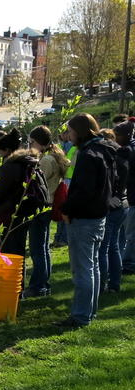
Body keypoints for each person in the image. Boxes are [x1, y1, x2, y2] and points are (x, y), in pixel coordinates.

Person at [56, 113, 117, 328]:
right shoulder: (105, 149)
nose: (69, 135)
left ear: (80, 132)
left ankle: (81, 315)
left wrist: (67, 209)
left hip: (84, 218)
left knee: (82, 269)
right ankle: (89, 312)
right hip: (98, 215)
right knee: (92, 267)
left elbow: (82, 190)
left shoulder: (89, 155)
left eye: (71, 131)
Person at [24, 126, 68, 297]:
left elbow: (33, 183)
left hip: (41, 206)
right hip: (47, 206)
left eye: (32, 142)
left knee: (37, 248)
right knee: (43, 247)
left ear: (41, 143)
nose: (30, 145)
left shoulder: (46, 161)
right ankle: (43, 283)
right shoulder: (52, 157)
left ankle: (38, 285)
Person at [0, 128, 39, 259]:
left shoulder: (10, 166)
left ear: (7, 150)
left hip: (8, 214)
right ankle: (19, 278)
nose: (0, 157)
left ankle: (10, 278)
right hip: (23, 211)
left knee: (8, 251)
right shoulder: (27, 162)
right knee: (19, 252)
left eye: (0, 153)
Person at [99, 124, 131, 292]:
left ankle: (103, 283)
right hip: (122, 204)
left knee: (104, 248)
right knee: (114, 246)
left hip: (114, 205)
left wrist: (114, 196)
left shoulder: (113, 159)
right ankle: (114, 284)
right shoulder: (123, 156)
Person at [118, 119, 135, 274]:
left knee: (130, 234)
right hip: (131, 195)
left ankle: (129, 264)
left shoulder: (128, 151)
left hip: (133, 197)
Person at [52, 130, 74, 248]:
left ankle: (63, 238)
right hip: (64, 178)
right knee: (61, 209)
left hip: (70, 179)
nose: (61, 135)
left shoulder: (73, 146)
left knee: (64, 210)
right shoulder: (61, 145)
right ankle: (58, 237)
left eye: (64, 133)